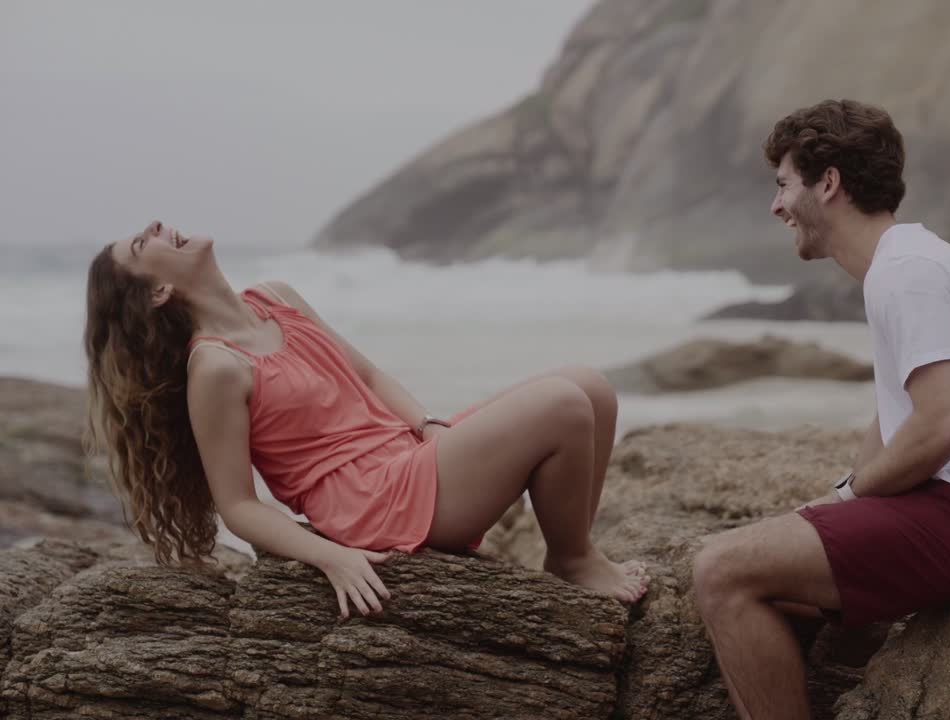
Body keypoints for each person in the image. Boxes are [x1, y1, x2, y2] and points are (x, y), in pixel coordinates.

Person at [691, 99, 950, 718]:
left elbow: (946, 424)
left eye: (784, 185)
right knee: (774, 565)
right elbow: (896, 414)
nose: (777, 205)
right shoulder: (900, 264)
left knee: (720, 569)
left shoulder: (907, 272)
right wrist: (832, 502)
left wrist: (847, 497)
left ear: (829, 182)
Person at [84, 221, 648, 619]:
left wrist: (427, 425)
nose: (158, 225)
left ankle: (568, 551)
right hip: (372, 502)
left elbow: (372, 378)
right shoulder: (216, 367)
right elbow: (238, 505)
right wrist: (331, 556)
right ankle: (573, 560)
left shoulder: (276, 297)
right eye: (143, 241)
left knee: (590, 387)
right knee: (562, 405)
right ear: (158, 290)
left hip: (406, 454)